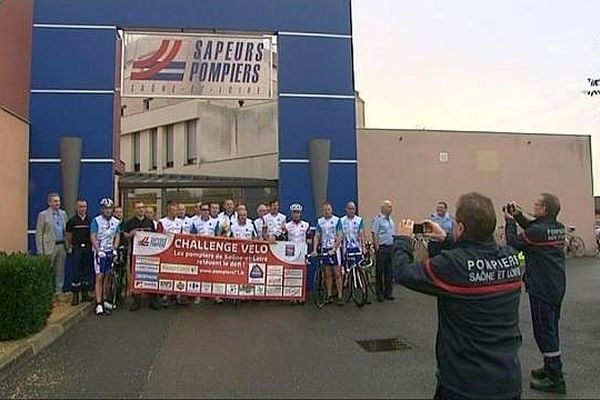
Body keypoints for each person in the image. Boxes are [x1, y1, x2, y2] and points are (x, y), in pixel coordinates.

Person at [392, 192, 523, 400]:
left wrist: (402, 240)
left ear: (461, 228)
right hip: (508, 381)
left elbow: (403, 272)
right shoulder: (514, 259)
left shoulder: (451, 265)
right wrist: (446, 239)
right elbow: (477, 258)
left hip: (465, 384)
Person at [504, 194, 567, 394]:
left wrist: (510, 221)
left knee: (544, 332)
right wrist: (520, 215)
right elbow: (534, 229)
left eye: (537, 204)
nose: (534, 205)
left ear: (545, 209)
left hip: (541, 288)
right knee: (551, 327)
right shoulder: (557, 227)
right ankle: (550, 366)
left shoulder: (538, 231)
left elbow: (514, 242)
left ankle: (555, 377)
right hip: (556, 285)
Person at [123, 201, 159, 311]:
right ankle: (136, 301)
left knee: (150, 276)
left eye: (142, 207)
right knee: (135, 277)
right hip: (135, 253)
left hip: (148, 254)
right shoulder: (129, 222)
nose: (141, 209)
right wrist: (130, 234)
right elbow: (125, 236)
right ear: (134, 210)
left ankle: (152, 299)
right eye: (138, 208)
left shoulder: (150, 222)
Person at [90, 198, 121, 316]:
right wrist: (98, 250)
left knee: (108, 276)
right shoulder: (96, 221)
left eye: (110, 208)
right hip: (100, 251)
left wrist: (115, 249)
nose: (108, 210)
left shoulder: (116, 221)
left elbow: (117, 236)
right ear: (102, 209)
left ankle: (104, 299)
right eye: (106, 208)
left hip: (110, 251)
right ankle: (98, 303)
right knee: (99, 276)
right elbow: (93, 236)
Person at [35, 192, 69, 295]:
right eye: (55, 201)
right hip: (49, 247)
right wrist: (40, 250)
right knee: (47, 270)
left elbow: (67, 231)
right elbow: (39, 234)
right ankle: (46, 292)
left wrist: (68, 246)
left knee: (60, 270)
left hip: (62, 245)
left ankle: (59, 291)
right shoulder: (43, 215)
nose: (57, 203)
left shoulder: (63, 214)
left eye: (58, 201)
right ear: (49, 203)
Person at [312, 202, 344, 306]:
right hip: (325, 248)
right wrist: (315, 249)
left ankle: (340, 295)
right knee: (327, 274)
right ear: (323, 211)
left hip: (334, 249)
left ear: (331, 210)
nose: (327, 212)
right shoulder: (320, 222)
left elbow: (340, 235)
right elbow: (317, 236)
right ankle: (329, 295)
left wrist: (335, 248)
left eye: (329, 209)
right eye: (325, 210)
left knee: (337, 273)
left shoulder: (337, 220)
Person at [65, 199, 92, 305]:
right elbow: (68, 236)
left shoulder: (90, 221)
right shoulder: (72, 221)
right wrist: (72, 245)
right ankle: (75, 295)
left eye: (84, 206)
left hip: (88, 248)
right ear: (76, 208)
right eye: (80, 206)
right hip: (77, 249)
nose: (82, 209)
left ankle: (85, 294)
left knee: (86, 271)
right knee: (76, 272)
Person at [371, 200, 396, 302]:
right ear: (383, 208)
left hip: (390, 247)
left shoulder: (390, 219)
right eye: (389, 207)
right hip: (382, 248)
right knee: (380, 271)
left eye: (391, 207)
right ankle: (379, 293)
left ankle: (388, 292)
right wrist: (377, 248)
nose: (391, 209)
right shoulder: (378, 219)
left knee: (389, 271)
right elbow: (375, 234)